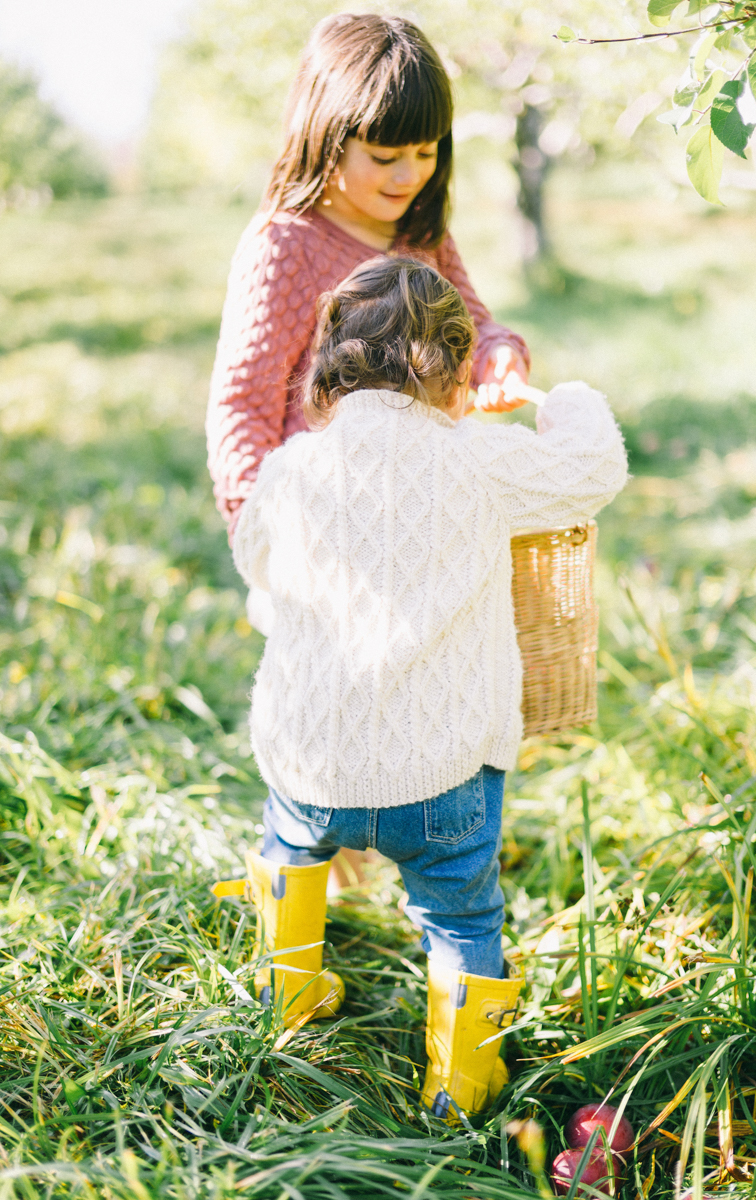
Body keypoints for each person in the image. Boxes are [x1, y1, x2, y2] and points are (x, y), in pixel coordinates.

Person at [220, 256, 628, 1122]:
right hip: (442, 775)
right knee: (461, 917)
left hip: (309, 767)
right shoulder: (479, 458)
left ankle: (288, 1002)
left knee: (291, 858)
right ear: (452, 367)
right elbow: (594, 469)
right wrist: (559, 399)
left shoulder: (293, 469)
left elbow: (254, 556)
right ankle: (460, 1094)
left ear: (330, 367)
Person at [206, 11, 533, 891]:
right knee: (324, 696)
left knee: (414, 683)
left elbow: (478, 316)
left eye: (424, 153)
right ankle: (312, 851)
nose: (405, 175)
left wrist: (497, 351)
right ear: (324, 133)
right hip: (319, 533)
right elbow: (239, 402)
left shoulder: (419, 238)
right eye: (383, 155)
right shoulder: (284, 249)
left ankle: (394, 833)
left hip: (416, 523)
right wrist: (256, 530)